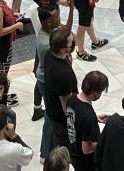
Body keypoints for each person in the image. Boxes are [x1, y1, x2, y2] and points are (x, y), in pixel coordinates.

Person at [41, 27, 76, 157]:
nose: (73, 45)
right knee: (66, 155)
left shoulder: (50, 55)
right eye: (71, 43)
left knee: (54, 145)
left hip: (52, 111)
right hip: (62, 121)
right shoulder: (63, 75)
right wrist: (74, 126)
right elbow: (66, 105)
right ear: (62, 49)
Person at [66, 71, 109, 171]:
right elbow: (87, 149)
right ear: (95, 92)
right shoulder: (88, 116)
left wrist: (95, 118)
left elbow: (76, 119)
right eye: (101, 92)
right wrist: (107, 142)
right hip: (85, 162)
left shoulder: (72, 99)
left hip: (73, 150)